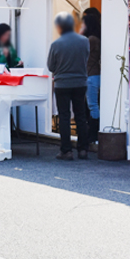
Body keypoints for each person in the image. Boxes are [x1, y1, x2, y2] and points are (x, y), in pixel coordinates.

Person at [48, 12, 90, 161]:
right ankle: (83, 149)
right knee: (81, 116)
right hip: (80, 83)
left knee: (64, 116)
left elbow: (50, 66)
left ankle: (66, 151)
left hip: (62, 84)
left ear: (59, 26)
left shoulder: (56, 44)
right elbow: (86, 58)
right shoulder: (84, 41)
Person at [81, 14, 101, 141]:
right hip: (93, 74)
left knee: (92, 105)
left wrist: (79, 33)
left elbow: (79, 51)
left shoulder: (91, 40)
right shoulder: (95, 38)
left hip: (91, 75)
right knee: (92, 104)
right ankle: (93, 132)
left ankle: (94, 133)